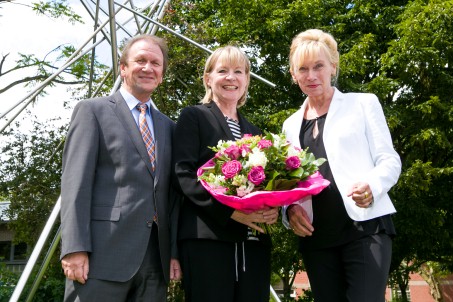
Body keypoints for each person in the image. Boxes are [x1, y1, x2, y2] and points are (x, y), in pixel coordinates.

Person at [282, 29, 401, 302]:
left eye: (318, 66)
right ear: (293, 74)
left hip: (365, 228)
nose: (311, 76)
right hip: (317, 238)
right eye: (303, 69)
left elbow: (390, 160)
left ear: (333, 67)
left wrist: (372, 185)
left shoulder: (363, 103)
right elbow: (290, 183)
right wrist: (290, 212)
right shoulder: (290, 125)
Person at [60, 34, 181, 301]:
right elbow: (75, 185)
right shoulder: (93, 111)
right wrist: (74, 248)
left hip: (154, 263)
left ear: (162, 73)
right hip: (101, 256)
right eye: (140, 60)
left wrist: (173, 251)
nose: (148, 68)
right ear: (123, 68)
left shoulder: (169, 128)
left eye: (155, 63)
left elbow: (172, 197)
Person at [173, 46, 279, 302]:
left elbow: (267, 185)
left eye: (238, 72)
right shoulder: (194, 117)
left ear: (246, 81)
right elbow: (182, 174)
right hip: (208, 241)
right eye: (223, 71)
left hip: (253, 245)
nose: (231, 77)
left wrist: (273, 208)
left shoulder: (255, 132)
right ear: (208, 78)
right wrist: (230, 212)